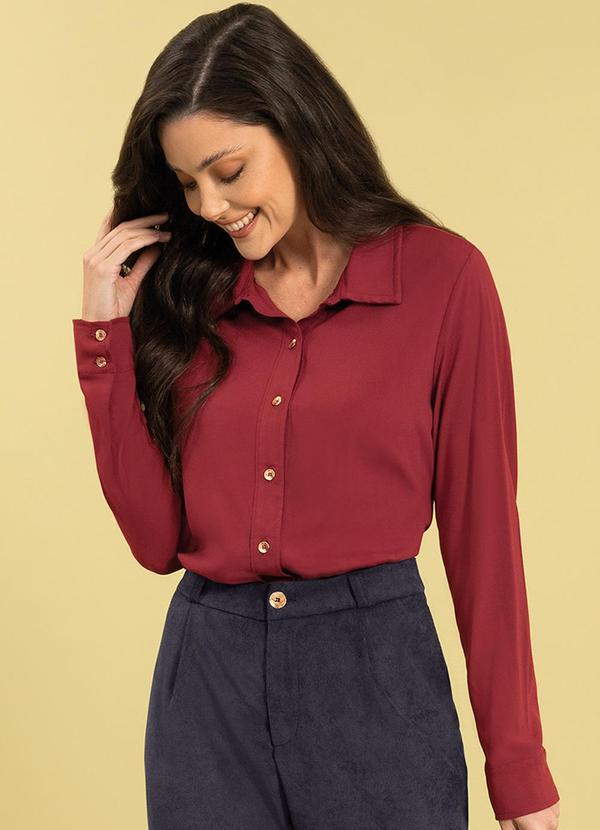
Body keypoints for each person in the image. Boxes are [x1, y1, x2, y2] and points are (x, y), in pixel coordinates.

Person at [71, 4, 560, 829]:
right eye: (187, 184)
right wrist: (104, 340)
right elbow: (157, 544)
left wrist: (518, 768)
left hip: (377, 687)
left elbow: (484, 533)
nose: (210, 205)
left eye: (229, 170)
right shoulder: (188, 294)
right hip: (208, 695)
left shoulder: (443, 280)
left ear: (296, 124)